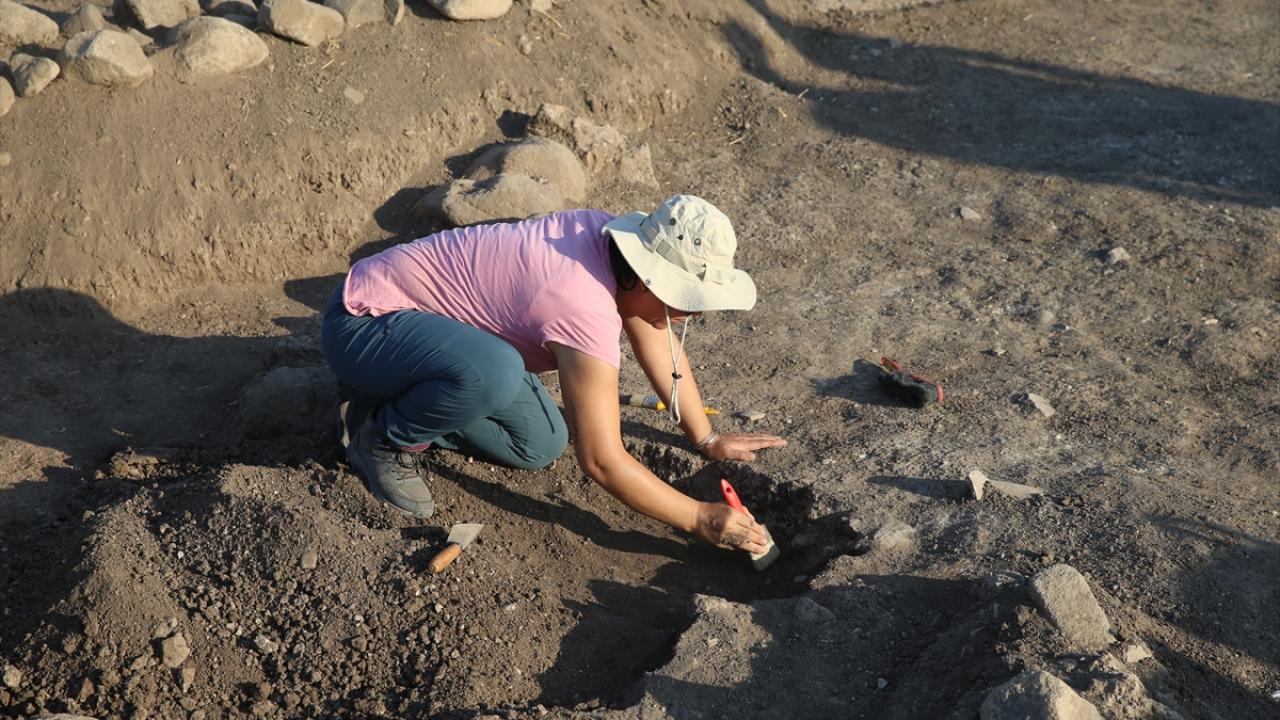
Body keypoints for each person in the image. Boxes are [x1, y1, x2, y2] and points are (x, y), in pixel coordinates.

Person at [321, 194, 787, 556]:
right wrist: (701, 518)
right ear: (649, 278)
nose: (695, 314)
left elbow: (655, 334)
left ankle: (401, 397)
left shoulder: (612, 249)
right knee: (498, 372)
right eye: (686, 298)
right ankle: (384, 438)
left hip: (442, 341)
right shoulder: (582, 304)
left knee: (539, 442)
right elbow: (602, 461)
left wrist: (706, 438)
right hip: (365, 324)